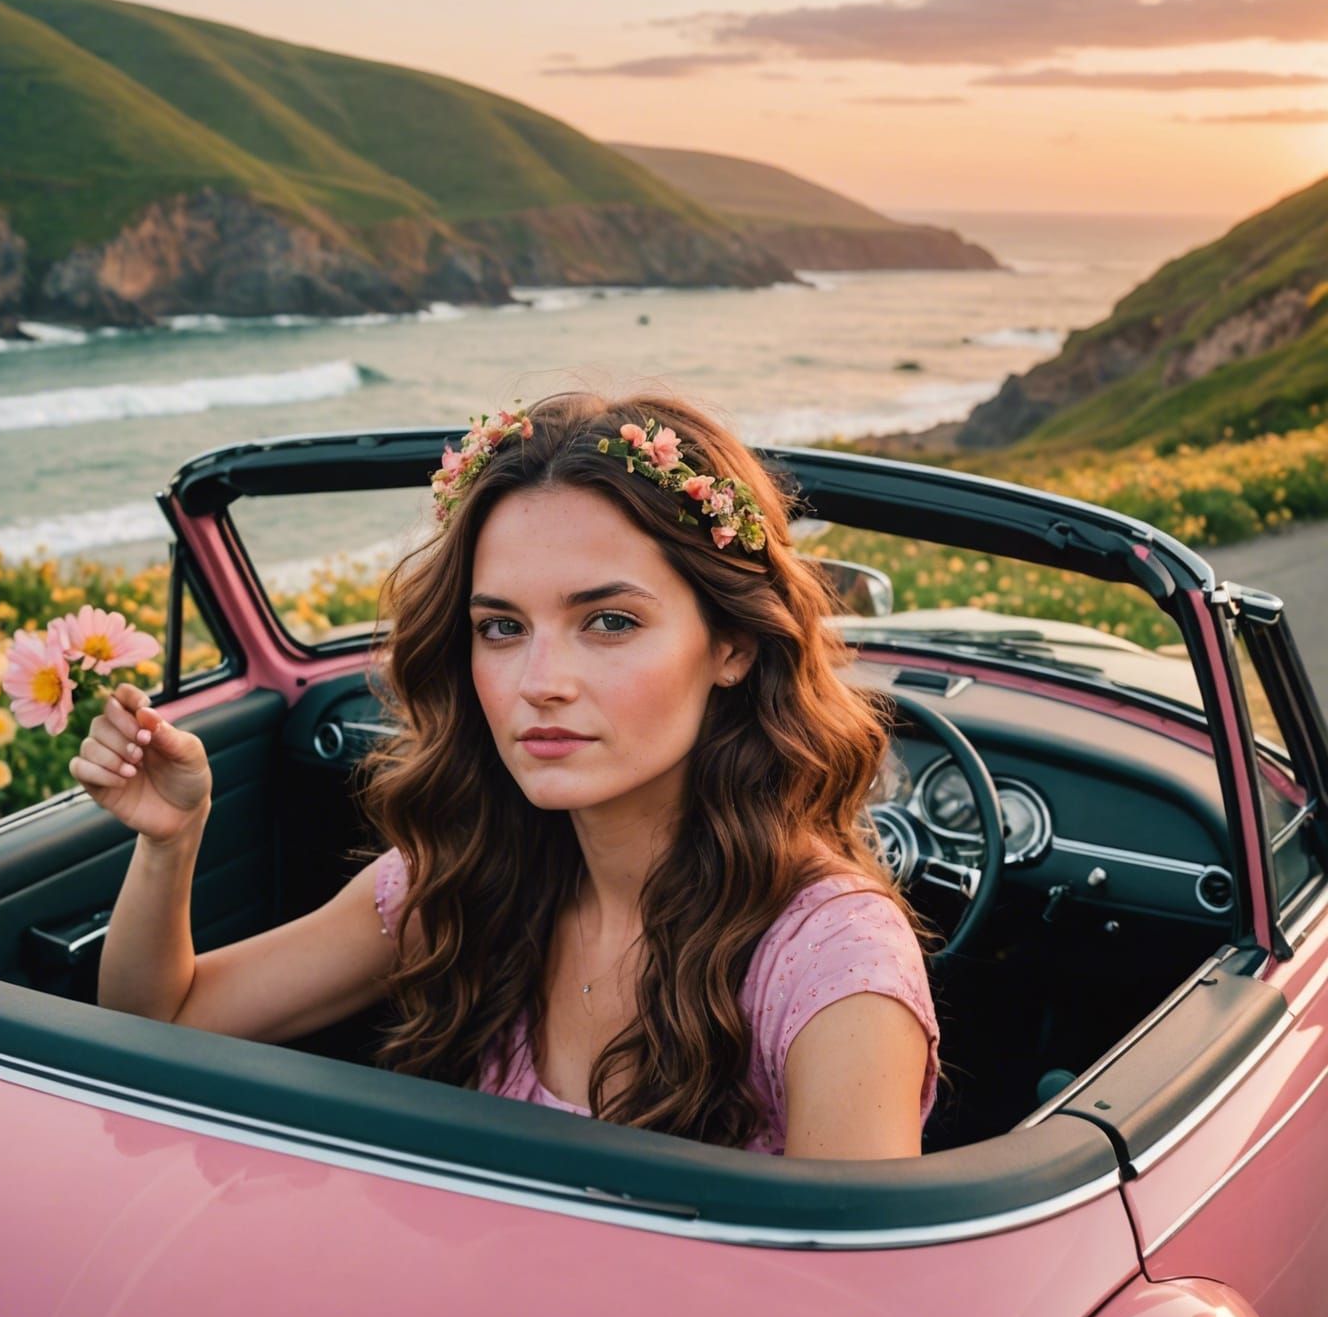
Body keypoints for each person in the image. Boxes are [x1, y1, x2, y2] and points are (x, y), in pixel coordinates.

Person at [87, 386, 946, 1159]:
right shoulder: (463, 878)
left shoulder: (829, 960)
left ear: (731, 644)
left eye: (608, 622)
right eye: (502, 628)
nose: (540, 683)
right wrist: (170, 843)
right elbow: (164, 1024)